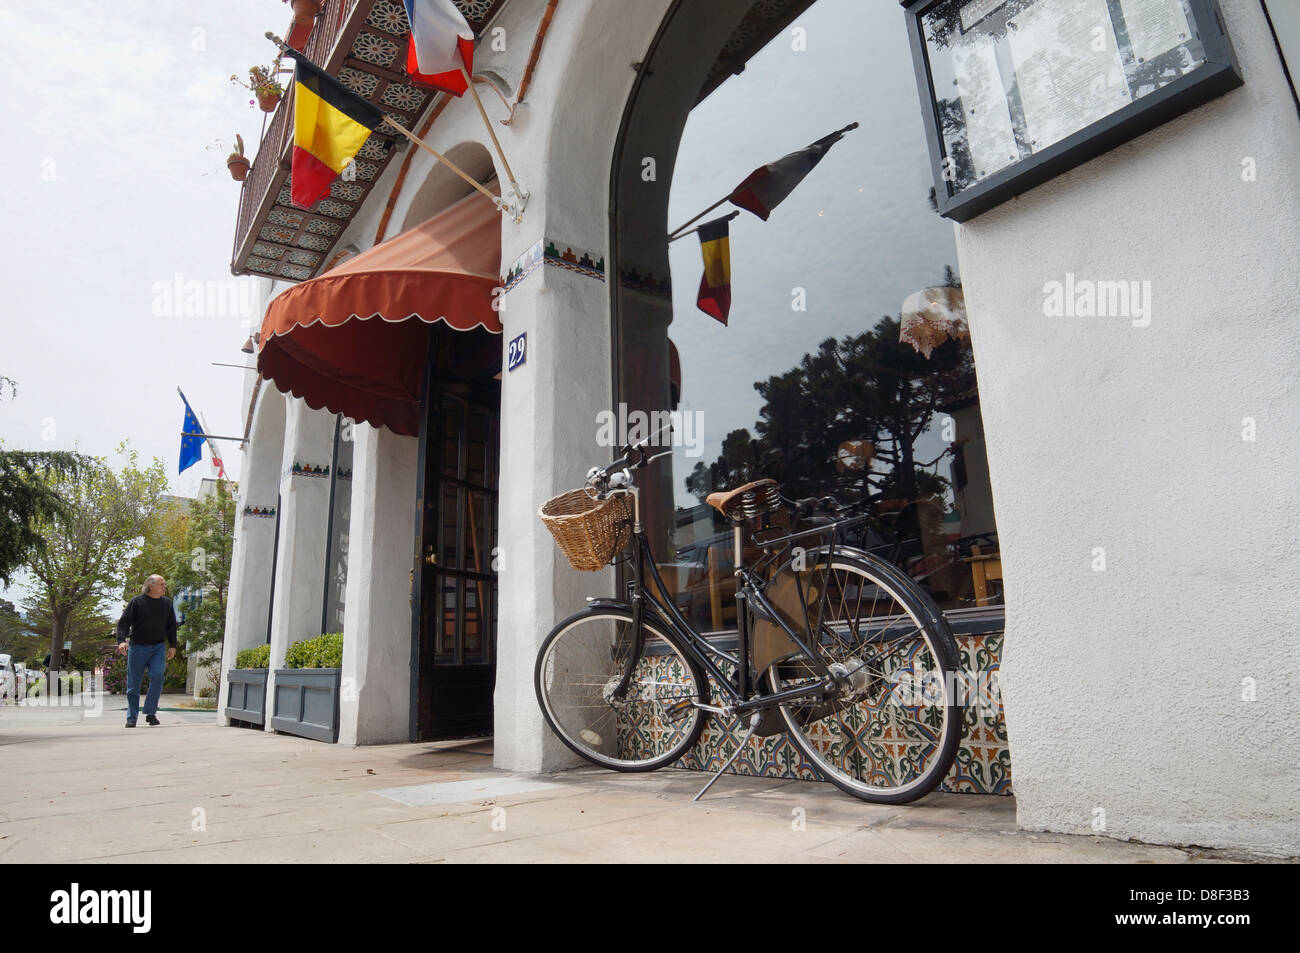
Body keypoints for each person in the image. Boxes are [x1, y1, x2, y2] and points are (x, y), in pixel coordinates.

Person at [115, 574, 177, 727]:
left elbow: (171, 626)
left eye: (164, 584)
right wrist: (121, 641)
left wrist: (173, 646)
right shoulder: (137, 602)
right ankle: (131, 717)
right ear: (151, 586)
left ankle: (150, 713)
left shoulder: (167, 604)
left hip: (158, 647)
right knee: (133, 684)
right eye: (162, 584)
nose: (165, 586)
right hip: (137, 647)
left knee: (157, 676)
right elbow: (124, 622)